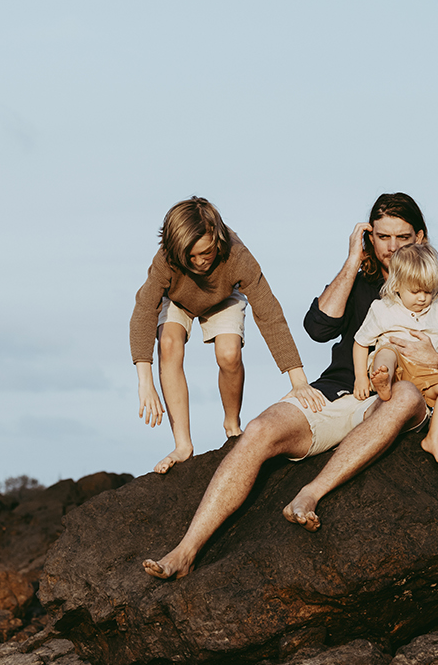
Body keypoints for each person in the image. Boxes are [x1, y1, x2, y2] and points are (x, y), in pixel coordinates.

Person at [143, 192, 438, 578]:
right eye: (382, 237)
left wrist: (435, 360)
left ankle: (309, 494)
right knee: (259, 429)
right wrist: (353, 261)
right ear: (369, 237)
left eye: (402, 238)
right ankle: (185, 552)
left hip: (396, 399)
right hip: (338, 390)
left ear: (420, 238)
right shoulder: (358, 283)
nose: (391, 248)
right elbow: (317, 328)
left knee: (404, 394)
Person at [131, 196, 322, 475]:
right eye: (190, 256)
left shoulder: (237, 256)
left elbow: (269, 312)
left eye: (205, 253)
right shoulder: (166, 259)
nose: (199, 262)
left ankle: (232, 426)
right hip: (178, 299)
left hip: (222, 297)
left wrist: (298, 379)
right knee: (169, 344)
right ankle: (183, 446)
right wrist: (144, 382)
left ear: (217, 240)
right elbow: (144, 310)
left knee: (229, 353)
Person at [352, 242, 438, 467]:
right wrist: (360, 378)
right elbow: (360, 343)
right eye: (415, 291)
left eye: (428, 291)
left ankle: (434, 438)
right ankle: (383, 381)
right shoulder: (383, 309)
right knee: (387, 351)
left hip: (426, 373)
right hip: (397, 367)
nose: (422, 298)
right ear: (396, 286)